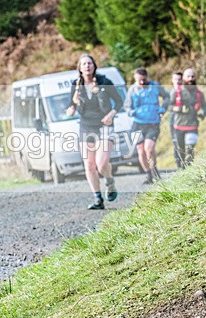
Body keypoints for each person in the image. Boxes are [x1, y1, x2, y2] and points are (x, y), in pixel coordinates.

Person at [65, 54, 123, 210]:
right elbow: (71, 103)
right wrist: (71, 109)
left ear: (94, 65)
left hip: (104, 125)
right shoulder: (76, 85)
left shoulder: (105, 81)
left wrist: (111, 114)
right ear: (80, 68)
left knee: (101, 163)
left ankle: (109, 181)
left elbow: (119, 101)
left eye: (89, 63)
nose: (87, 66)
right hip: (86, 126)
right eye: (83, 64)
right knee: (89, 165)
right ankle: (98, 199)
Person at [124, 67, 169, 184]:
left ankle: (155, 172)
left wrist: (163, 108)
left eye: (144, 80)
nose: (142, 83)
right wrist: (131, 112)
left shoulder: (155, 86)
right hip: (138, 124)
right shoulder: (132, 90)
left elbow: (167, 96)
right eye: (139, 81)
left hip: (153, 123)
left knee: (149, 149)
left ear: (147, 77)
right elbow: (127, 106)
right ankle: (148, 175)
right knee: (141, 151)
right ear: (135, 79)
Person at [170, 67, 206, 168]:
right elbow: (169, 106)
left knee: (190, 148)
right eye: (188, 76)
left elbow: (204, 106)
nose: (190, 79)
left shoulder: (199, 93)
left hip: (192, 125)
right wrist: (179, 109)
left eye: (193, 76)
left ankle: (189, 166)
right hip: (178, 125)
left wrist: (202, 114)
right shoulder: (176, 92)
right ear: (183, 78)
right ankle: (181, 169)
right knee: (180, 149)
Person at [169, 71, 183, 168]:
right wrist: (175, 108)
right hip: (174, 119)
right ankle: (179, 165)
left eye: (179, 79)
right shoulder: (171, 92)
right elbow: (168, 106)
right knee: (176, 142)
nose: (177, 81)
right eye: (175, 79)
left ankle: (187, 163)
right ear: (172, 80)